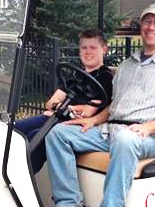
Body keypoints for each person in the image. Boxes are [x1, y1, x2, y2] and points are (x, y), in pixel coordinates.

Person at [44, 3, 155, 207]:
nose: (151, 27)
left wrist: (147, 128)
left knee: (125, 139)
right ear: (141, 27)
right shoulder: (127, 65)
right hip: (111, 130)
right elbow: (115, 106)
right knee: (59, 133)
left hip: (150, 136)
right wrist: (92, 120)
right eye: (147, 22)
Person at [15, 28, 113, 172]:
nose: (87, 51)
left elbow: (87, 112)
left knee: (35, 136)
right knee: (15, 130)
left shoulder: (105, 78)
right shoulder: (75, 75)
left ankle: (21, 178)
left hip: (77, 126)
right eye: (84, 48)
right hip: (56, 118)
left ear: (104, 49)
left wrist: (61, 109)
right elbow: (50, 103)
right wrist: (59, 108)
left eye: (93, 47)